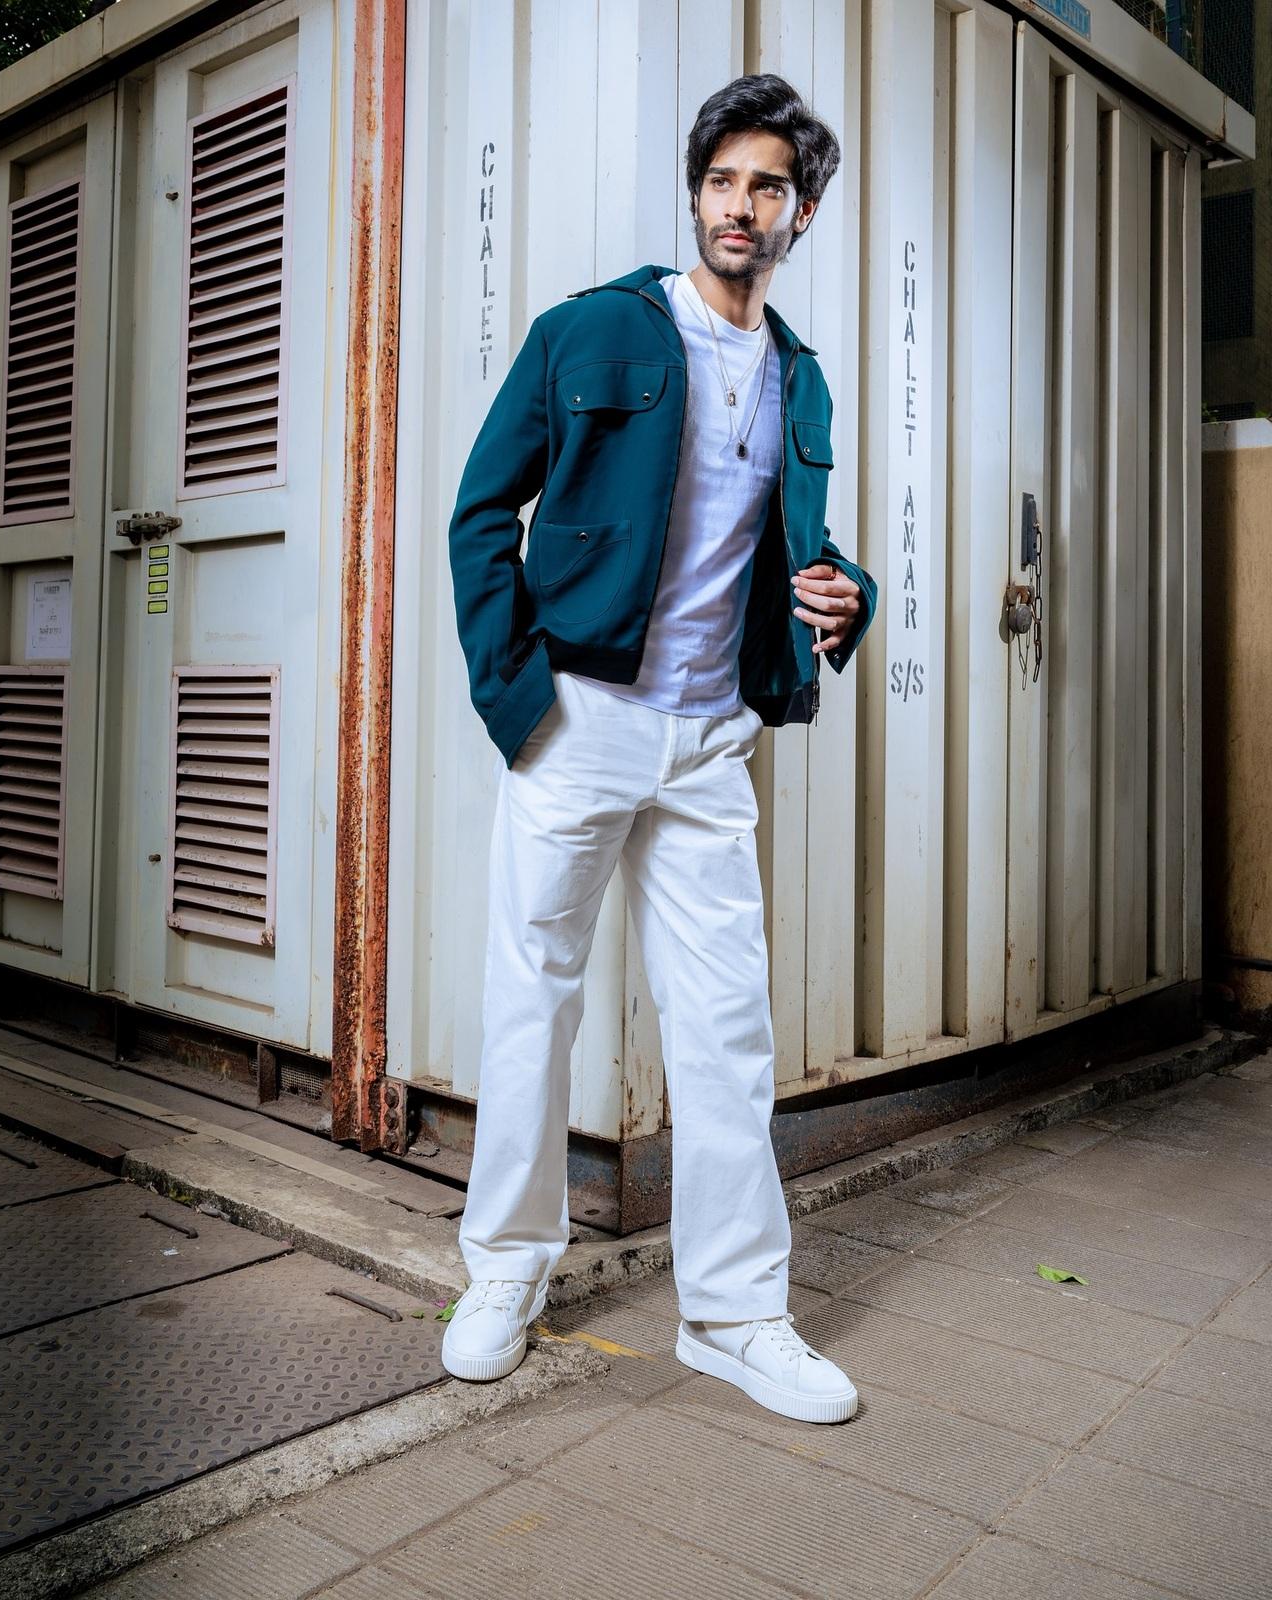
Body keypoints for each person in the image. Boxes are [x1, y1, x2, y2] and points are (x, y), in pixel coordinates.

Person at [442, 73, 877, 1426]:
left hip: (710, 745)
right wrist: (522, 704)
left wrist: (845, 591)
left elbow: (789, 554)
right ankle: (506, 1272)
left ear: (802, 212)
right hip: (582, 720)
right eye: (725, 182)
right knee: (536, 1002)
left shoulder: (798, 381)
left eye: (771, 188)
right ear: (696, 194)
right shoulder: (595, 332)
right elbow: (478, 513)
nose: (744, 207)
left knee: (729, 1033)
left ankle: (738, 1315)